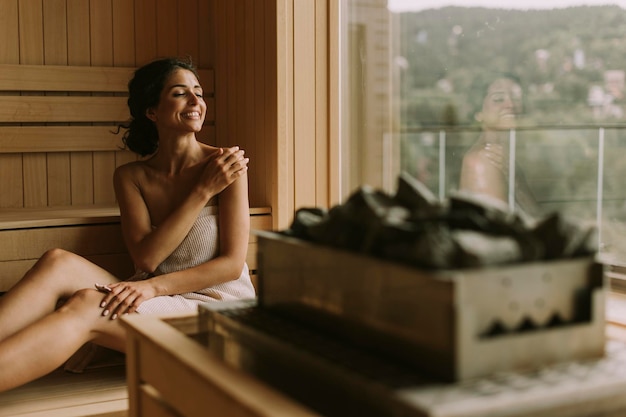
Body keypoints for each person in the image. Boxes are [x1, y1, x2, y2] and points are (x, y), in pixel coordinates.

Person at [0, 57, 253, 392]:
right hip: (156, 295)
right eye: (181, 93)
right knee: (58, 262)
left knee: (89, 303)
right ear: (152, 111)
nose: (196, 102)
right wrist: (202, 190)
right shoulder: (133, 177)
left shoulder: (226, 165)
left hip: (216, 311)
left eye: (199, 92)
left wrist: (151, 288)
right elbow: (146, 260)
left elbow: (231, 265)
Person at [459, 73, 541, 217]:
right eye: (498, 99)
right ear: (478, 112)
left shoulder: (505, 158)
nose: (510, 105)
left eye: (516, 98)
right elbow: (497, 233)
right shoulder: (483, 161)